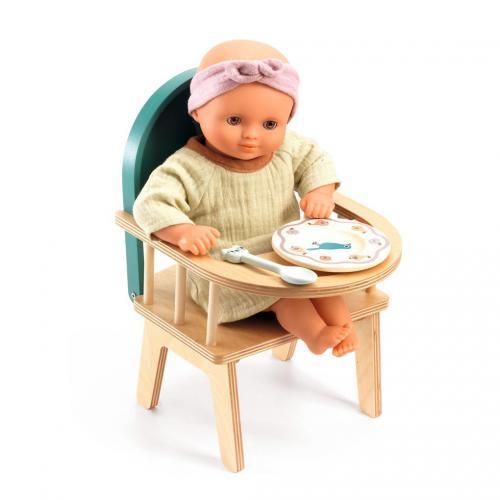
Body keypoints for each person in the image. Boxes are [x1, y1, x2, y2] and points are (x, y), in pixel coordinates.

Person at [133, 39, 359, 356]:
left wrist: (319, 191)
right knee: (287, 300)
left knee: (323, 285)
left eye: (270, 124)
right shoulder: (189, 168)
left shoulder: (287, 149)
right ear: (197, 111)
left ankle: (344, 327)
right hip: (228, 272)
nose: (252, 135)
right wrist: (183, 231)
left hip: (287, 252)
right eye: (235, 120)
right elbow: (151, 204)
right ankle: (318, 334)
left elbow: (315, 160)